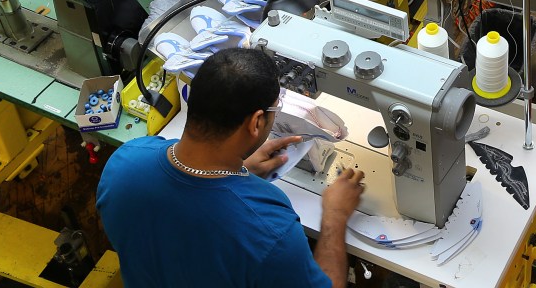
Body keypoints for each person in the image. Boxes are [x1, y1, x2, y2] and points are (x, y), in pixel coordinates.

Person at [97, 48, 364, 288]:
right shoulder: (269, 229)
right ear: (256, 122)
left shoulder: (125, 162)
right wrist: (335, 216)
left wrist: (241, 170)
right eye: (275, 109)